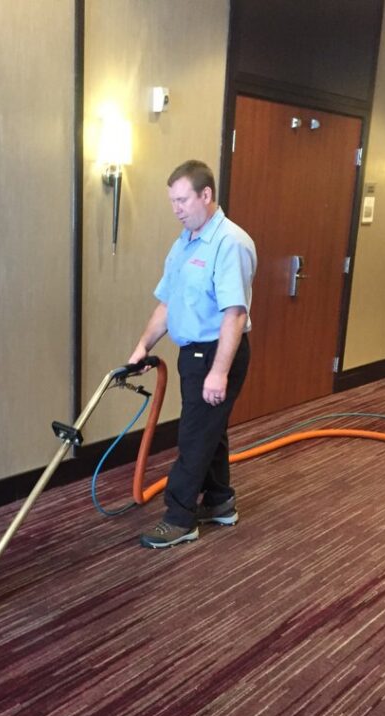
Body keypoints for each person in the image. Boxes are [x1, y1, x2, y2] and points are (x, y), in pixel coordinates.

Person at [128, 159, 257, 549]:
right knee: (208, 431)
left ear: (206, 194)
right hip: (192, 356)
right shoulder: (184, 242)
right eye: (172, 201)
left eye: (183, 200)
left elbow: (235, 314)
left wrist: (219, 372)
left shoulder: (229, 243)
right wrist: (141, 348)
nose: (177, 208)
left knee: (194, 436)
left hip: (218, 354)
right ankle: (220, 502)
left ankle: (180, 516)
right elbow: (166, 304)